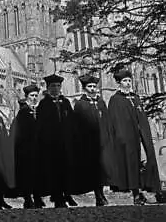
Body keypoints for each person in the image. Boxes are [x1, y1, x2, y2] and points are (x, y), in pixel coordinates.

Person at [108, 68, 161, 205]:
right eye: (125, 81)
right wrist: (121, 137)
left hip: (140, 135)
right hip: (126, 138)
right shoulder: (115, 100)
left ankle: (154, 191)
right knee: (131, 164)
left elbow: (142, 118)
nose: (128, 83)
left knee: (148, 158)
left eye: (129, 81)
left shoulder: (136, 98)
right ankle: (136, 194)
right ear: (119, 83)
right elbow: (115, 121)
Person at [35, 74, 78, 208]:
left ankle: (65, 194)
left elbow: (71, 121)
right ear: (48, 88)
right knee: (54, 170)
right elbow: (40, 125)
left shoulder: (65, 102)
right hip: (51, 144)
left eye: (58, 86)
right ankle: (58, 197)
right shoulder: (44, 104)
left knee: (66, 169)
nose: (56, 88)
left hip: (65, 142)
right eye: (53, 86)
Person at [74, 75, 114, 206]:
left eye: (94, 86)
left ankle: (101, 192)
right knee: (93, 169)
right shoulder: (80, 104)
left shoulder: (101, 102)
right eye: (89, 87)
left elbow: (107, 120)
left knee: (103, 168)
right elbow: (78, 125)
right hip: (89, 142)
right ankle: (98, 195)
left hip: (102, 140)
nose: (92, 89)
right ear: (85, 89)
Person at [10, 84, 44, 209]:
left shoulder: (40, 110)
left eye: (36, 95)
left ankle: (38, 197)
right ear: (27, 97)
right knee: (27, 174)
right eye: (32, 96)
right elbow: (19, 132)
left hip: (38, 148)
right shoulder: (23, 112)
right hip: (26, 149)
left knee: (38, 173)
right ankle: (28, 198)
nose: (34, 98)